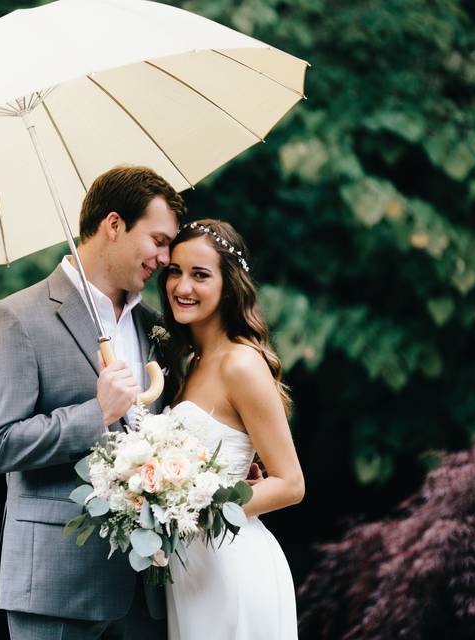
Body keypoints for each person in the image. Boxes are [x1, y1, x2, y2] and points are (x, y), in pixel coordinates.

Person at [0, 165, 186, 640]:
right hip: (57, 584)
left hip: (145, 589)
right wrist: (98, 413)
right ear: (114, 225)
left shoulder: (154, 324)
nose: (166, 258)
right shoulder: (15, 318)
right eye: (158, 240)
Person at [158, 219, 305, 640]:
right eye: (175, 271)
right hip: (190, 575)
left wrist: (198, 511)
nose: (182, 286)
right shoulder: (189, 362)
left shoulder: (240, 363)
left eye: (200, 275)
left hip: (234, 566)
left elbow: (291, 483)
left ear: (229, 283)